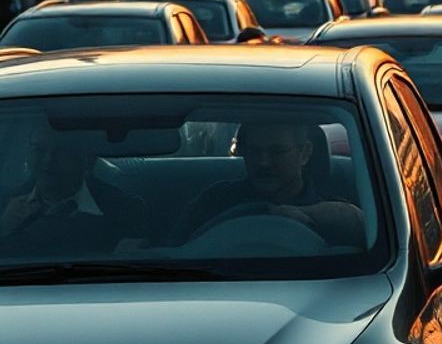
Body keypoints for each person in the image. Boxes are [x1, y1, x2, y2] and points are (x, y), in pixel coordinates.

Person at [171, 122, 364, 247]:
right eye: (254, 151)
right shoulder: (213, 203)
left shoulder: (339, 219)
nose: (264, 162)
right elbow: (172, 252)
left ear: (304, 153)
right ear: (243, 152)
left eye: (277, 151)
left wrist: (313, 215)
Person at [0, 118, 145, 255]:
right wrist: (3, 228)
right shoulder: (4, 206)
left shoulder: (126, 210)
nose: (48, 159)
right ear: (27, 154)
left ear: (89, 160)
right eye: (39, 149)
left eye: (62, 150)